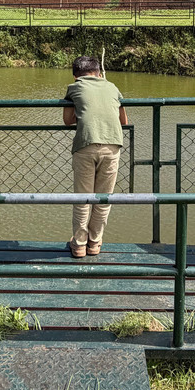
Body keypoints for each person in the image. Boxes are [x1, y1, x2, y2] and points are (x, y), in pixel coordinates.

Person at [62, 55, 127, 258]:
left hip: (85, 145)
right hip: (112, 146)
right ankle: (95, 243)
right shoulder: (113, 87)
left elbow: (67, 120)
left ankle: (79, 245)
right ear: (99, 73)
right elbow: (124, 120)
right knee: (103, 199)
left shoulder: (74, 88)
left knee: (83, 198)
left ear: (75, 76)